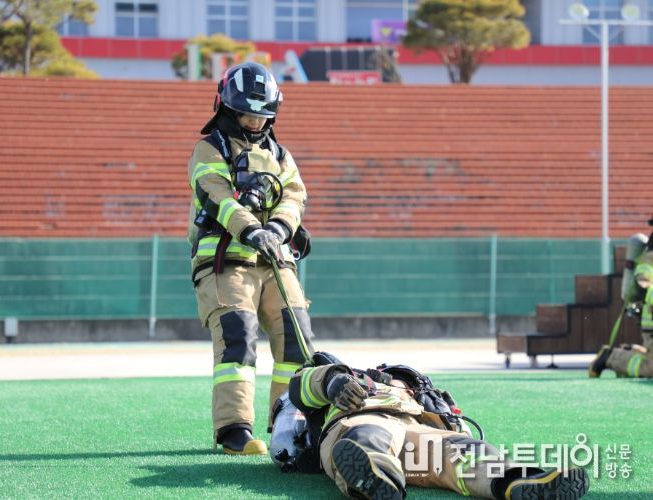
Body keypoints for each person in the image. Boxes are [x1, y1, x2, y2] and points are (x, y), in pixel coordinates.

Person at [187, 61, 315, 455]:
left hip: (275, 260)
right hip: (225, 261)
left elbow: (294, 196)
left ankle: (288, 425)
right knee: (238, 338)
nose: (256, 122)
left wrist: (277, 228)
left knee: (297, 339)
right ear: (227, 108)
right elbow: (216, 195)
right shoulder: (210, 149)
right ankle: (234, 429)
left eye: (263, 115)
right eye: (247, 114)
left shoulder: (279, 154)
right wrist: (252, 230)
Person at [270, 352, 590, 500]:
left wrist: (450, 424)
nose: (398, 381)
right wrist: (334, 380)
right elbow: (303, 386)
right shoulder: (349, 379)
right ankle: (377, 478)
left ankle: (518, 481)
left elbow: (459, 430)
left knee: (465, 450)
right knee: (366, 439)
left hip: (417, 432)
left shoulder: (420, 401)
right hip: (358, 419)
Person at [590, 217, 653, 378]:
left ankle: (633, 351)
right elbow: (643, 277)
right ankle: (610, 357)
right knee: (651, 369)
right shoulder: (651, 254)